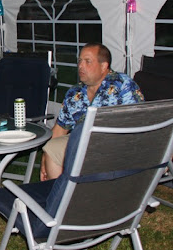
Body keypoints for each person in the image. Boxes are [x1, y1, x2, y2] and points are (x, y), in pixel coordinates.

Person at [40, 43, 144, 181]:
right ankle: (62, 193)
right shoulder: (75, 93)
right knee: (53, 148)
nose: (81, 66)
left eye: (87, 61)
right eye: (80, 61)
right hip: (83, 143)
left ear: (103, 66)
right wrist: (45, 156)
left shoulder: (122, 85)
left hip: (116, 145)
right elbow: (60, 129)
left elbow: (140, 120)